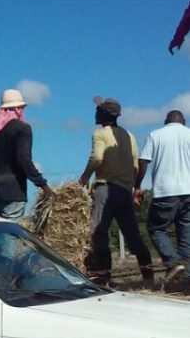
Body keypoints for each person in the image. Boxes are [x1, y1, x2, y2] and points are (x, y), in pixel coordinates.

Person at [78, 97, 154, 285]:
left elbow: (96, 158)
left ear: (103, 114)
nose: (95, 114)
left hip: (106, 188)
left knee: (98, 231)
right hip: (125, 191)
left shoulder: (100, 134)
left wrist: (84, 178)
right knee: (133, 235)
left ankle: (104, 276)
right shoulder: (129, 136)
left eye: (97, 111)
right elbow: (136, 165)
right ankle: (149, 277)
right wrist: (134, 185)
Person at [0, 89, 53, 220]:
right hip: (12, 192)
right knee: (9, 238)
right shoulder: (22, 128)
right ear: (18, 108)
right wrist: (43, 185)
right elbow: (24, 159)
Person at [135, 110, 190, 283]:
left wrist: (137, 185)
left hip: (165, 191)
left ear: (165, 121)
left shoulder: (155, 135)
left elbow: (143, 160)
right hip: (188, 191)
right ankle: (186, 277)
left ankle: (173, 264)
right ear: (184, 122)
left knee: (156, 229)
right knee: (186, 233)